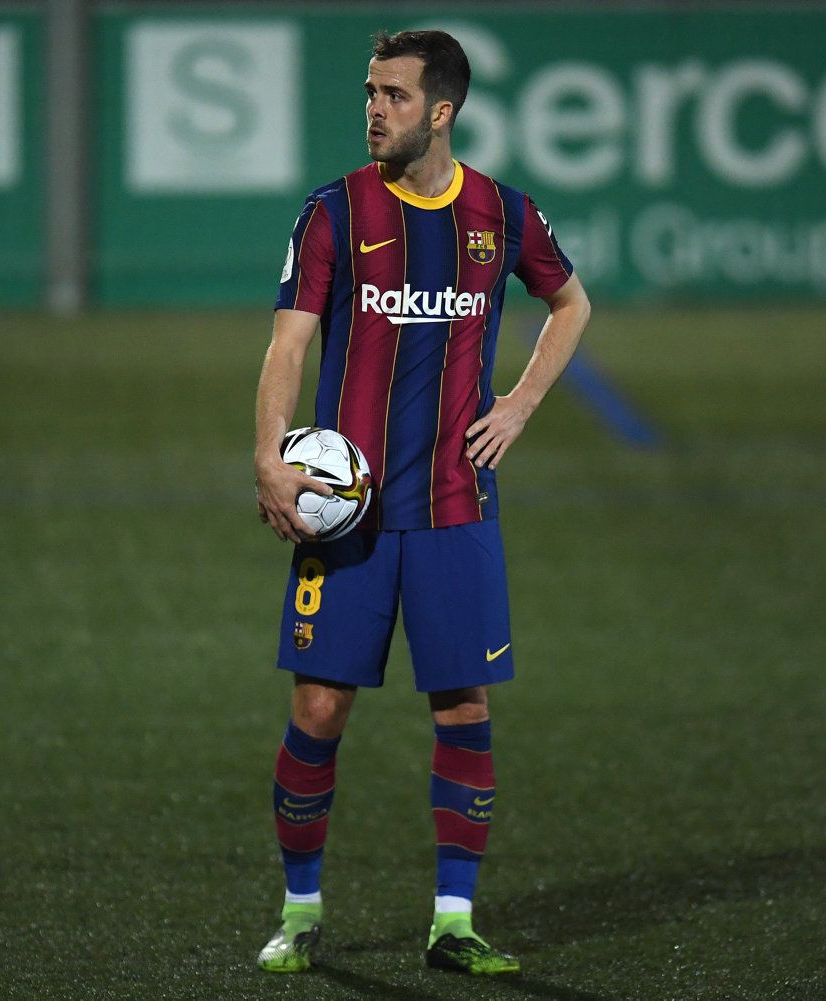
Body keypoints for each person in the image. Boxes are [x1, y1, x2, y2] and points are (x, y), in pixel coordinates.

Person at [253, 27, 591, 976]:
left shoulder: (502, 213)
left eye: (395, 95)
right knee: (319, 706)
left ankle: (454, 919)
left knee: (462, 708)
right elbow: (288, 346)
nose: (374, 110)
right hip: (346, 515)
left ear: (442, 111)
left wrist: (520, 403)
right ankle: (300, 908)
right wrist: (270, 456)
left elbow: (572, 305)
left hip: (456, 508)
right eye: (370, 92)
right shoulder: (332, 212)